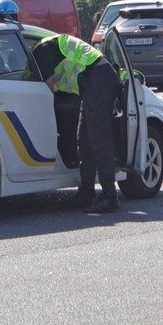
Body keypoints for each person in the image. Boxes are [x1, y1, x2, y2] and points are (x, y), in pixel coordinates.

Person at [31, 33, 122, 213]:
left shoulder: (40, 53)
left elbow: (47, 93)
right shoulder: (47, 46)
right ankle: (86, 194)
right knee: (85, 142)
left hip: (98, 77)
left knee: (98, 140)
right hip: (93, 81)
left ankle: (110, 197)